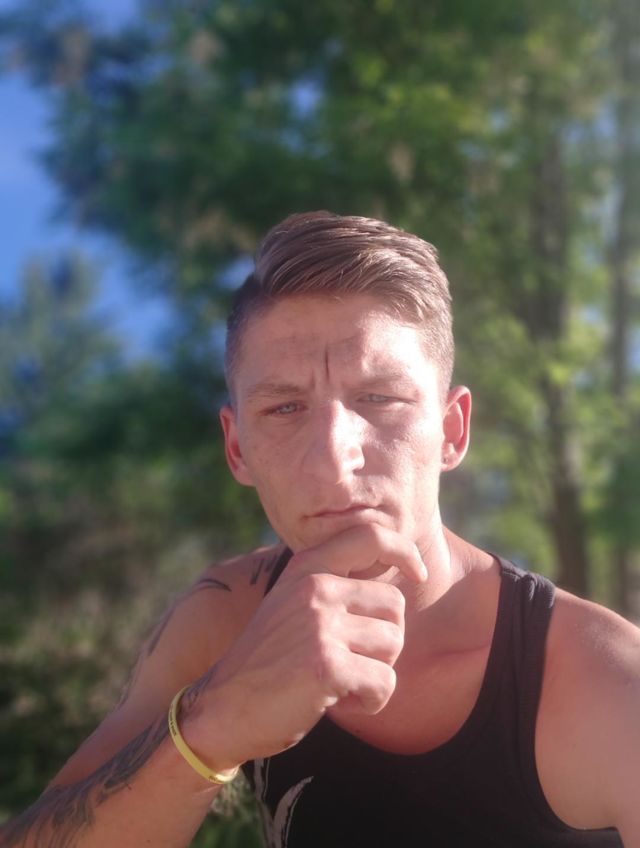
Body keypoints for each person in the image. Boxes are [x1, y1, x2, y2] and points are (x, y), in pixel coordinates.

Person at [1, 211, 639, 848]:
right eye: (285, 408)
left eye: (379, 399)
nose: (335, 459)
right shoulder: (228, 618)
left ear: (452, 430)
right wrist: (212, 726)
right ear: (237, 449)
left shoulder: (605, 683)